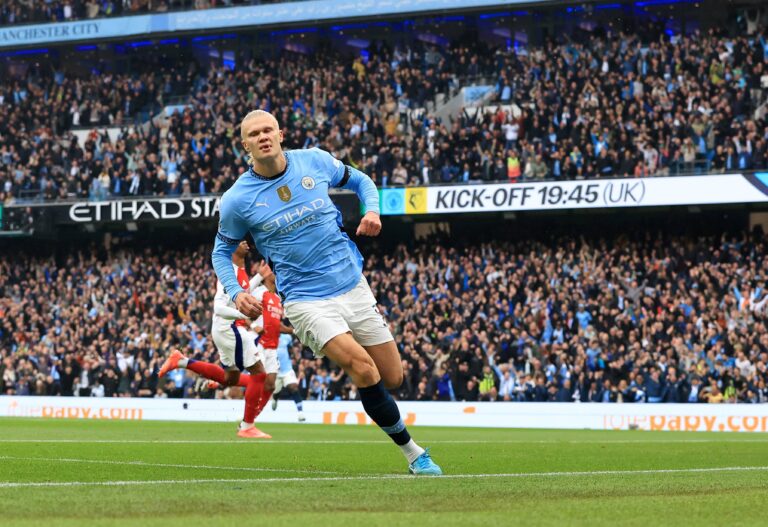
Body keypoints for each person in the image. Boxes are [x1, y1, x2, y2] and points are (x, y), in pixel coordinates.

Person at [212, 109, 442, 475]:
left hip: (352, 286)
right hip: (305, 300)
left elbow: (362, 180)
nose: (263, 137)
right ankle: (415, 454)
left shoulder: (314, 161)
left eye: (268, 130)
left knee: (392, 377)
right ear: (245, 145)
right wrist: (235, 291)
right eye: (254, 134)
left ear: (280, 134)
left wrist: (373, 211)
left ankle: (367, 389)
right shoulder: (237, 199)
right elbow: (221, 252)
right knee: (363, 368)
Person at [159, 239, 272, 438]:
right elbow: (218, 308)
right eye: (241, 241)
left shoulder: (240, 271)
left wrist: (259, 277)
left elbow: (242, 293)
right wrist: (244, 315)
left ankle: (181, 361)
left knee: (230, 379)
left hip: (224, 329)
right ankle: (247, 426)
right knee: (260, 374)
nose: (246, 243)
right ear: (232, 248)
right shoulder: (229, 273)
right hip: (230, 329)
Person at [270, 332, 307, 422]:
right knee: (276, 392)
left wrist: (297, 360)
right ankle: (275, 398)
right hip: (275, 371)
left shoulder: (286, 337)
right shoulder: (268, 338)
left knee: (293, 387)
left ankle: (300, 412)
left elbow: (291, 349)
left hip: (287, 369)